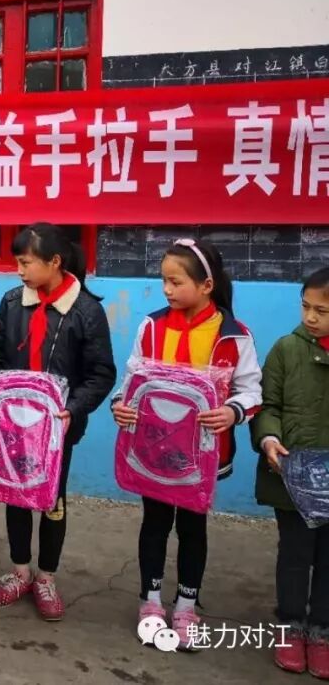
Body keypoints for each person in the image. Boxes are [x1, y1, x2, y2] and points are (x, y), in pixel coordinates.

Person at [112, 238, 260, 649]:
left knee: (193, 528)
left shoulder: (234, 335)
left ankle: (186, 607)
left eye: (175, 282)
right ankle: (150, 602)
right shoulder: (151, 327)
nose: (167, 290)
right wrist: (120, 404)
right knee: (155, 523)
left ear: (207, 285)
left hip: (203, 455)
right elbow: (131, 380)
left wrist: (232, 412)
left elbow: (252, 390)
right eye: (164, 281)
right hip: (153, 452)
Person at [0, 223, 116, 622]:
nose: (19, 271)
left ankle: (46, 577)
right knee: (15, 493)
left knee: (52, 498)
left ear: (54, 262)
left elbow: (101, 374)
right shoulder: (11, 303)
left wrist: (72, 409)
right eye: (17, 263)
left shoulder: (86, 311)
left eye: (26, 263)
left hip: (59, 427)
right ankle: (20, 571)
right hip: (13, 423)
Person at [252, 269, 329, 674]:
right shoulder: (286, 350)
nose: (311, 317)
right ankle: (290, 626)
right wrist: (269, 439)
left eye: (322, 311)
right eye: (306, 307)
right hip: (294, 478)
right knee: (295, 555)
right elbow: (268, 405)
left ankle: (322, 631)